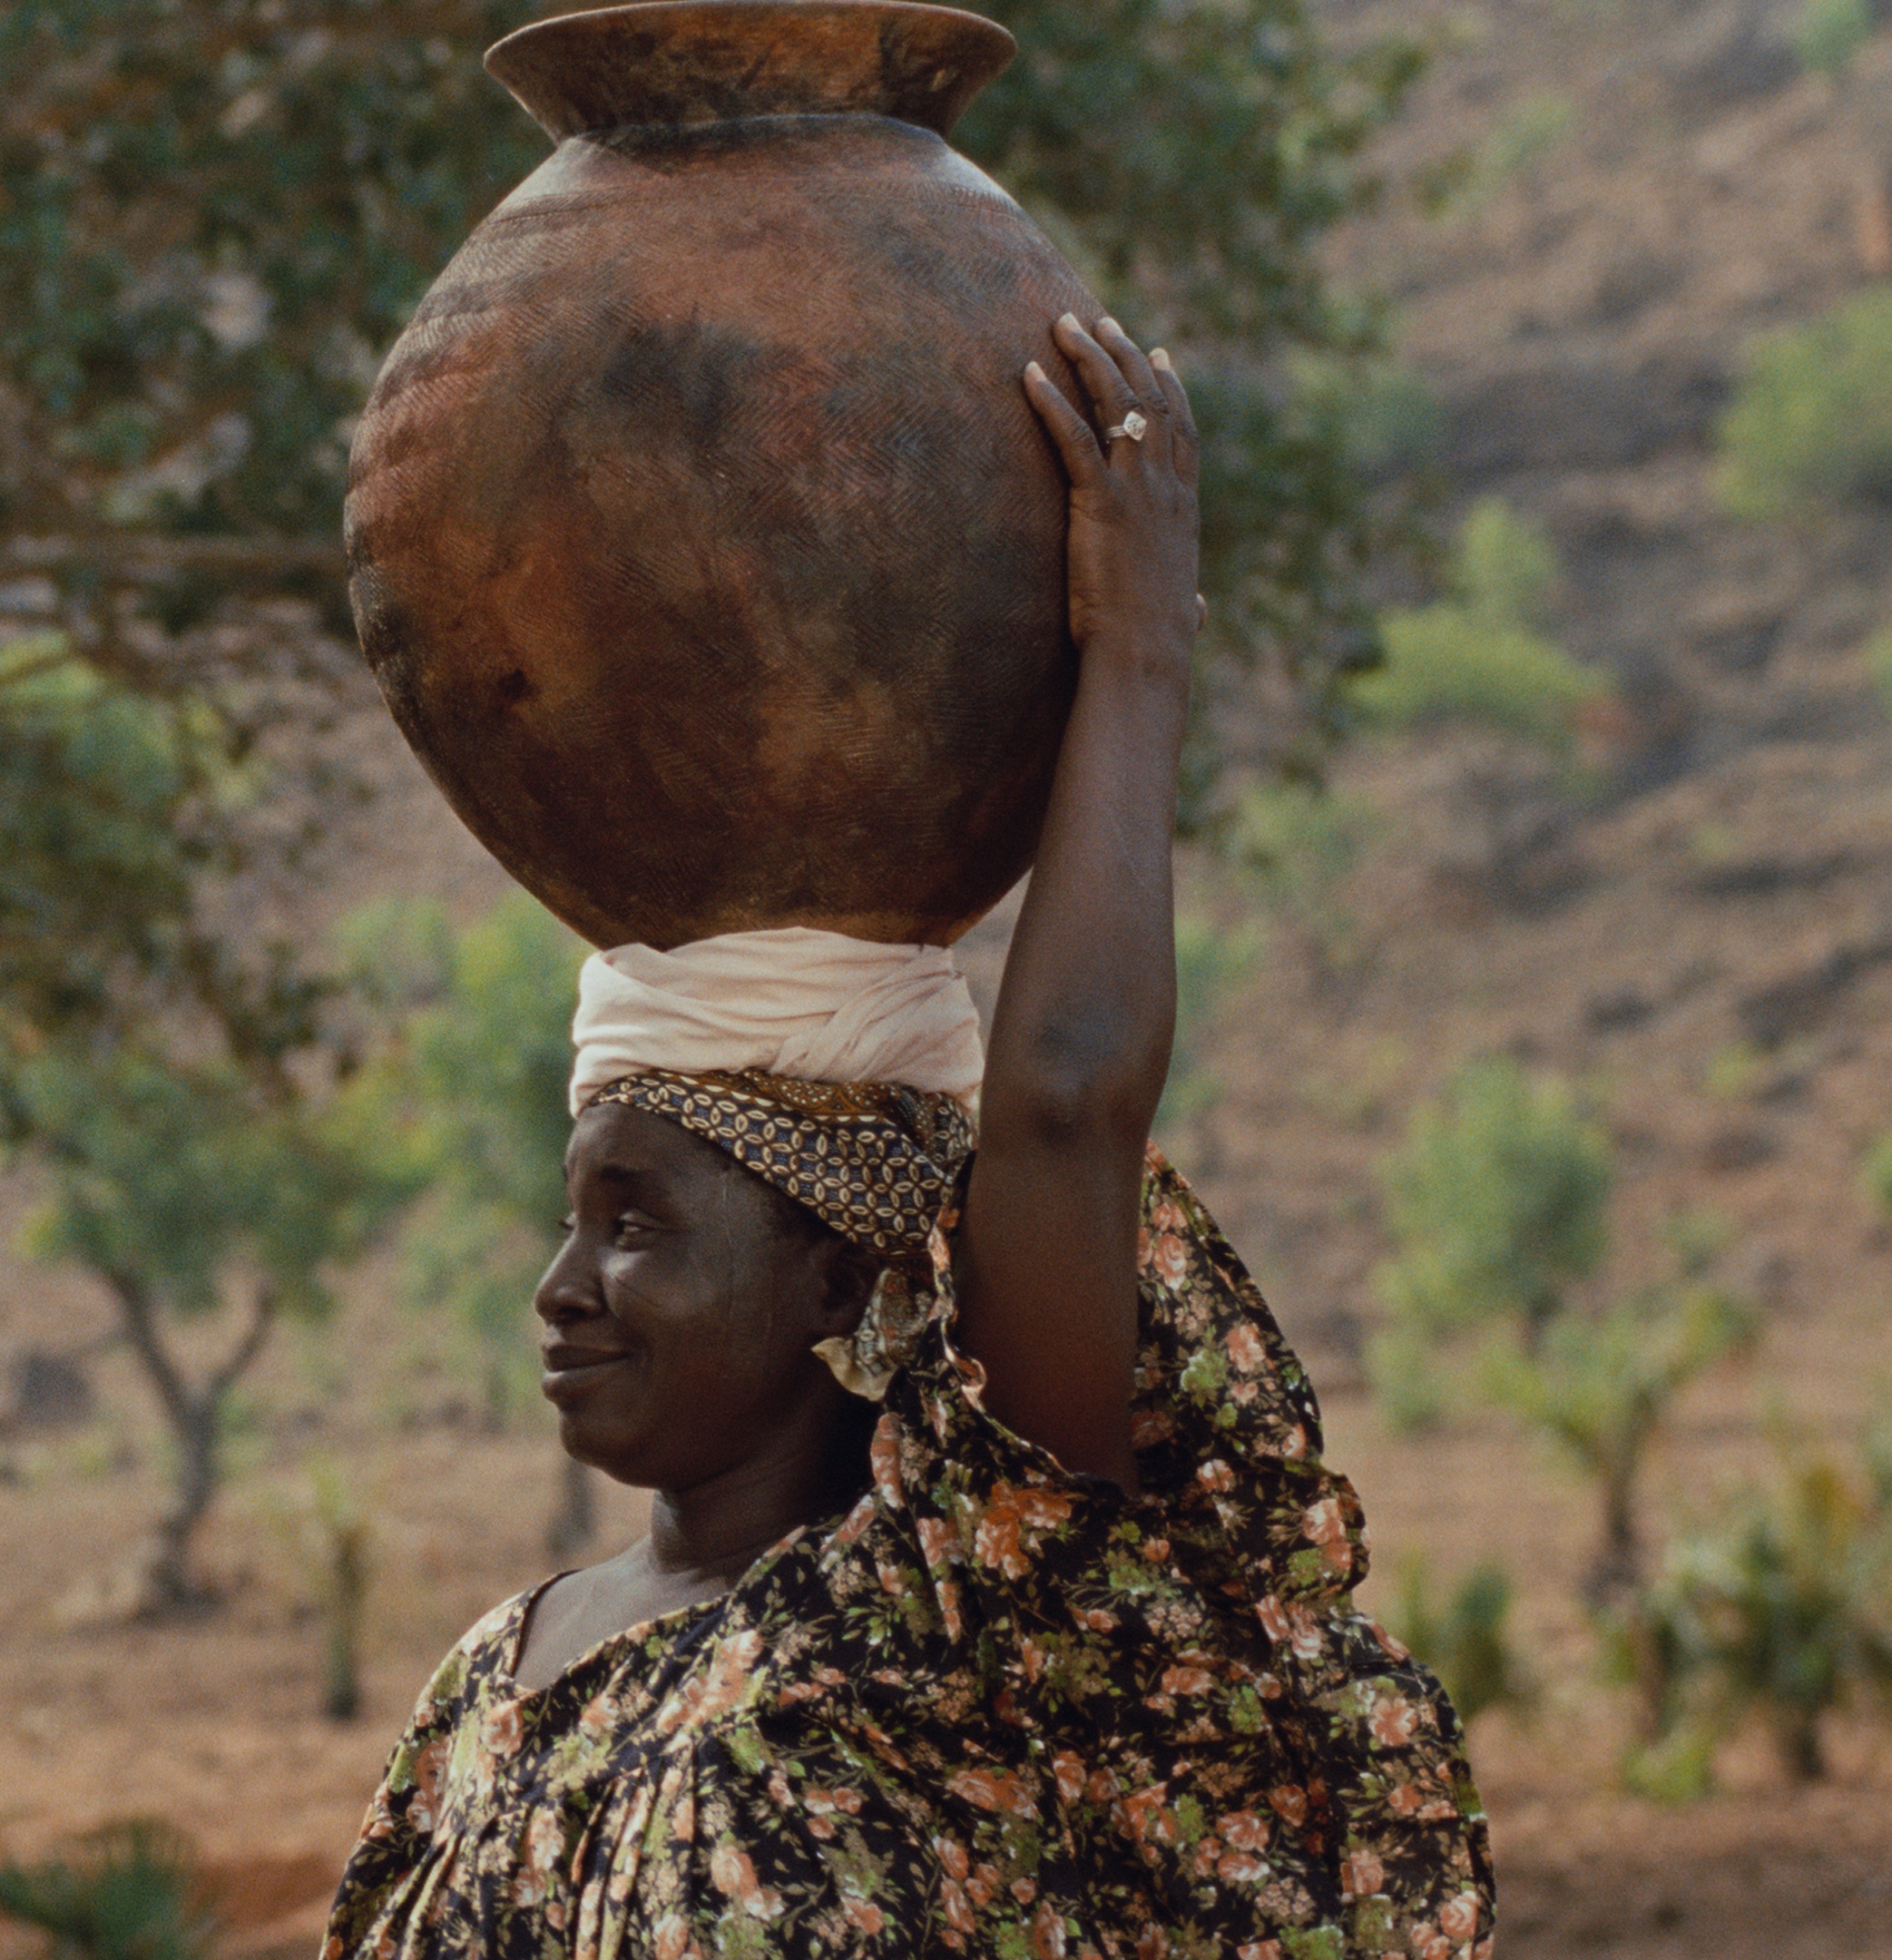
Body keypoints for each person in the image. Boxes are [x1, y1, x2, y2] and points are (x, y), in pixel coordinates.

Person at [321, 318, 1494, 1959]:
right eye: (576, 1219)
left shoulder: (961, 1604)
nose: (562, 1286)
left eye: (637, 1223)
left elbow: (1065, 1106)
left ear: (837, 1271)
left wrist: (1138, 651)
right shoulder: (491, 1683)